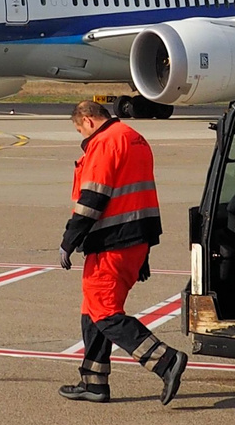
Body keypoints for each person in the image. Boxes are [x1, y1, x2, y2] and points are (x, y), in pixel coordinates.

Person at [57, 99, 188, 404]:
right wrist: (144, 252)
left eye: (80, 130)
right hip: (135, 239)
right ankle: (94, 382)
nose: (82, 137)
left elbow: (93, 198)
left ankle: (165, 361)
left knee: (103, 311)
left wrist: (69, 240)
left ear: (88, 120)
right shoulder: (135, 138)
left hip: (111, 242)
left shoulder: (105, 143)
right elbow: (139, 196)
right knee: (93, 309)